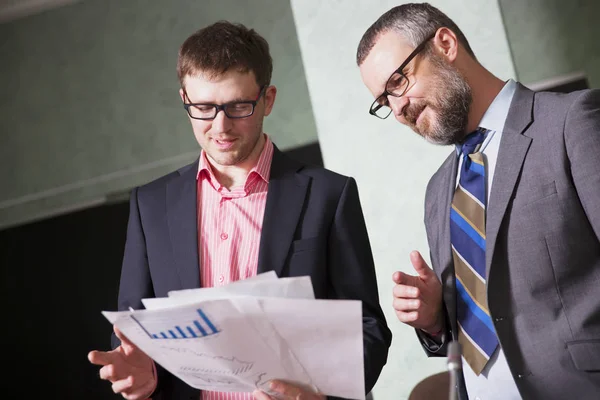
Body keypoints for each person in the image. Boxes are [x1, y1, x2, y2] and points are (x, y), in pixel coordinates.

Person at [88, 21, 392, 400]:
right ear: (185, 99)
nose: (221, 126)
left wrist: (317, 396)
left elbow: (368, 330)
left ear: (268, 99)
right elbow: (133, 333)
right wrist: (143, 374)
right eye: (203, 107)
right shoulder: (151, 206)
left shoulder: (330, 194)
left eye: (237, 106)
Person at [356, 3, 600, 400]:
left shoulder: (573, 122)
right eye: (384, 100)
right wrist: (437, 320)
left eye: (398, 81)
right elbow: (479, 324)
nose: (397, 108)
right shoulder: (437, 192)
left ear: (446, 44)